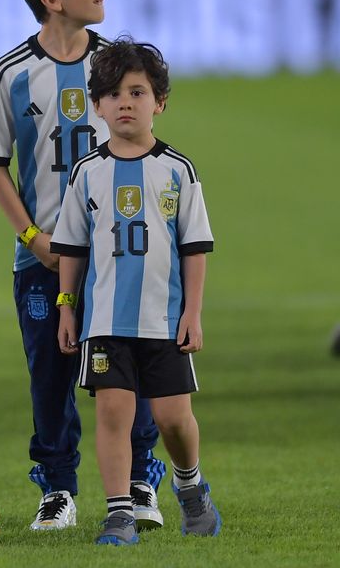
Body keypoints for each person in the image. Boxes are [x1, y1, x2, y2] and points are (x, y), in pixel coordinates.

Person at [0, 0, 166, 531]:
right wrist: (32, 237)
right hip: (44, 258)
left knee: (128, 370)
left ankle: (137, 483)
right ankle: (57, 488)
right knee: (49, 374)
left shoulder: (118, 67)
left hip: (115, 256)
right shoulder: (12, 73)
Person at [51, 38, 221, 546]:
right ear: (98, 106)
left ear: (159, 102)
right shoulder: (86, 173)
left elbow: (194, 248)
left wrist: (192, 312)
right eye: (113, 94)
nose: (126, 102)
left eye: (138, 92)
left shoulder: (178, 171)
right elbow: (73, 250)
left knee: (173, 419)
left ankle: (190, 487)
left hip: (163, 320)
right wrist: (67, 308)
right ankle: (119, 513)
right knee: (112, 413)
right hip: (104, 321)